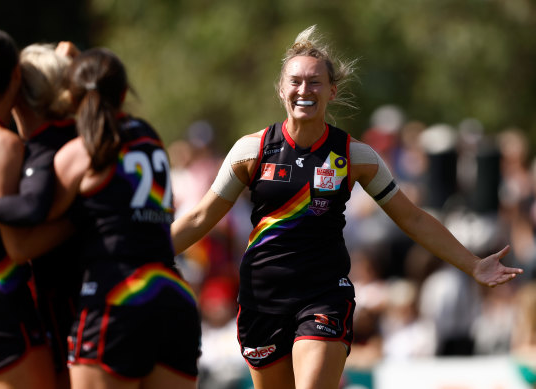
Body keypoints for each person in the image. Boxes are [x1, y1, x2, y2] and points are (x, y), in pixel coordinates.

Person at [170, 25, 523, 389]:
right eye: (295, 82)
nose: (304, 90)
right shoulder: (252, 150)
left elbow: (413, 218)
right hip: (262, 299)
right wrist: (137, 258)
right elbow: (199, 217)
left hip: (323, 295)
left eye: (315, 82)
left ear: (332, 91)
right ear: (281, 89)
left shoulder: (356, 156)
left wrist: (473, 264)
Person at [0, 47, 202, 389]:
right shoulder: (150, 137)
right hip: (173, 298)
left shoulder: (80, 153)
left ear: (71, 97)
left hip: (115, 300)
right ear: (123, 93)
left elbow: (28, 229)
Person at [0, 42, 80, 389]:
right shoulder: (19, 145)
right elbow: (20, 245)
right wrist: (77, 221)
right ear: (14, 81)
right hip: (5, 309)